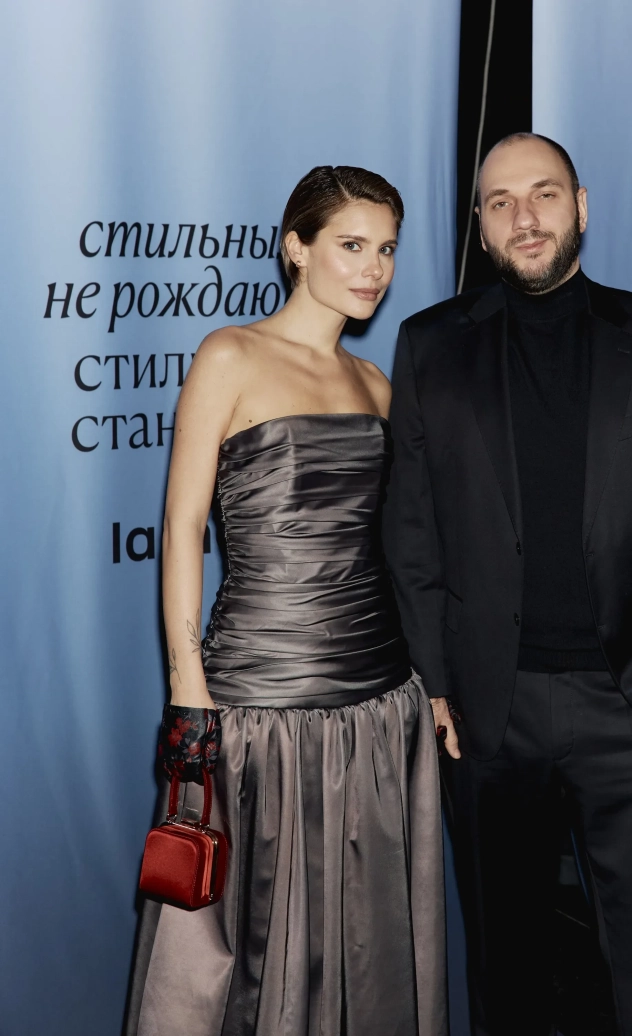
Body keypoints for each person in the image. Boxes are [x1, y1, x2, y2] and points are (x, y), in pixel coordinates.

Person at [383, 133, 632, 1036]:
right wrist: (436, 682)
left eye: (544, 194)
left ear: (581, 206)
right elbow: (412, 530)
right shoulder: (429, 346)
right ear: (480, 228)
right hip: (490, 715)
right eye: (500, 202)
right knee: (506, 978)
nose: (525, 217)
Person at [125, 165, 448, 1036]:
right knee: (252, 945)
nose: (374, 269)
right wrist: (188, 688)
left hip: (378, 703)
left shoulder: (377, 385)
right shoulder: (230, 355)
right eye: (352, 245)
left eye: (387, 249)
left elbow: (403, 551)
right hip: (259, 705)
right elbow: (182, 527)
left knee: (362, 948)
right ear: (295, 247)